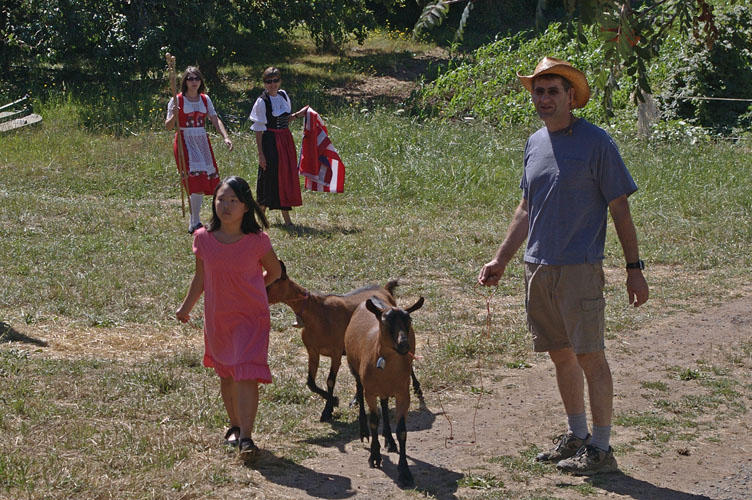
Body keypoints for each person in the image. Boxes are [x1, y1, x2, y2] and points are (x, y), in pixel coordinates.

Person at [478, 56, 649, 475]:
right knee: (560, 356)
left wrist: (634, 267)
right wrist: (501, 258)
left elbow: (620, 208)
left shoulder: (597, 143)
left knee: (590, 356)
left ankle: (602, 448)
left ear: (571, 97)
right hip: (538, 267)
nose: (544, 98)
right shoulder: (534, 143)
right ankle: (577, 436)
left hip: (580, 268)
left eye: (553, 91)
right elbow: (525, 208)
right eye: (538, 91)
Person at [176, 176, 281, 456]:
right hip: (218, 319)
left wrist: (254, 286)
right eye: (221, 199)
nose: (226, 206)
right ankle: (235, 426)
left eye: (234, 200)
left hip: (252, 318)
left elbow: (275, 272)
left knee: (246, 373)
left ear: (246, 207)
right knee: (227, 375)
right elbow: (200, 279)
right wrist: (185, 308)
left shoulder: (257, 241)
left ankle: (247, 438)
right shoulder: (203, 239)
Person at [166, 66, 233, 234]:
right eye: (190, 79)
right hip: (184, 141)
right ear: (185, 82)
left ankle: (196, 219)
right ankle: (194, 221)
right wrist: (175, 115)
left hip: (202, 140)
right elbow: (168, 127)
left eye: (197, 78)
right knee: (194, 179)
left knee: (204, 178)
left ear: (201, 80)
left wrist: (225, 136)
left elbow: (214, 119)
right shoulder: (177, 100)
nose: (194, 82)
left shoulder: (205, 99)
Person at [249, 67, 306, 226]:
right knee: (268, 177)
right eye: (268, 81)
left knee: (284, 177)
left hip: (285, 140)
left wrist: (297, 115)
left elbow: (285, 119)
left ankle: (287, 219)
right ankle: (259, 219)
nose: (272, 84)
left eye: (275, 80)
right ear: (264, 83)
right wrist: (261, 154)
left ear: (279, 81)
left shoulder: (283, 95)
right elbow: (259, 130)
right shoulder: (262, 101)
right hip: (270, 141)